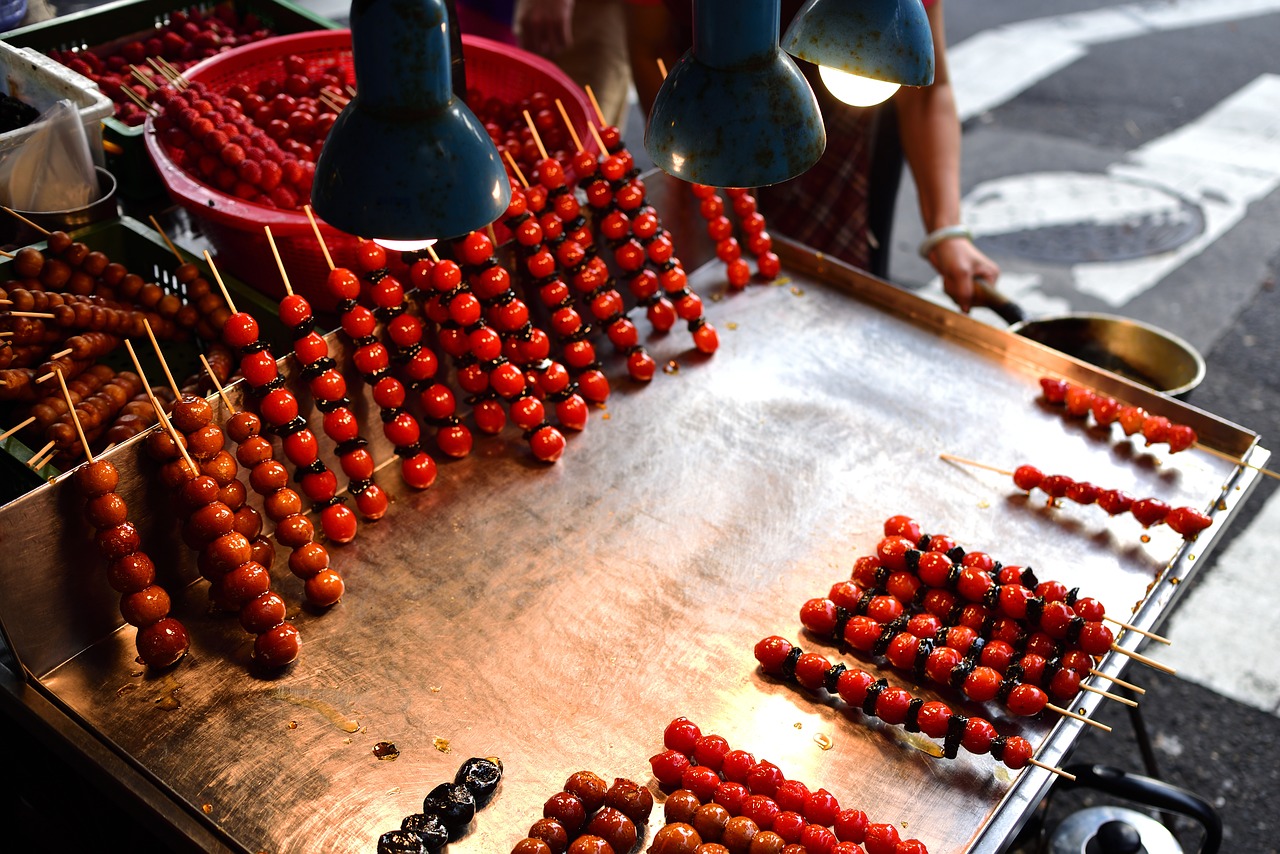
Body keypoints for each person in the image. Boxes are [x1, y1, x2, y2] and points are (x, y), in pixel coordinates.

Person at [625, 0, 1000, 313]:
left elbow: (926, 96)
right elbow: (650, 46)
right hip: (705, 95)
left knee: (844, 301)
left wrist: (946, 230)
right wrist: (693, 156)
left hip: (851, 109)